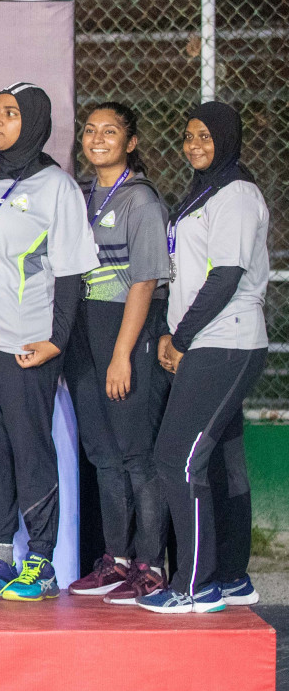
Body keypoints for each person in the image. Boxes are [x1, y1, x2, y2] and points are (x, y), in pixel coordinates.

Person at [0, 83, 98, 601]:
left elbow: (73, 273)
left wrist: (56, 340)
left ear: (32, 123)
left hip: (25, 342)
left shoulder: (58, 188)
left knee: (29, 449)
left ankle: (43, 561)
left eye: (11, 114)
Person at [141, 101, 269, 613]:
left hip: (225, 340)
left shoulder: (236, 192)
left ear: (228, 140)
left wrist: (181, 337)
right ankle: (233, 577)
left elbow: (226, 276)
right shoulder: (208, 190)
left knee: (175, 457)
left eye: (206, 137)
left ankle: (194, 585)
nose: (195, 144)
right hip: (213, 341)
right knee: (218, 463)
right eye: (189, 135)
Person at [62, 103, 171, 603]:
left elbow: (145, 281)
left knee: (135, 457)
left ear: (130, 142)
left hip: (123, 330)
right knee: (102, 455)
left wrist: (123, 353)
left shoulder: (141, 200)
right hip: (84, 331)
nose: (97, 139)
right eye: (90, 131)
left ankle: (150, 565)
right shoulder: (82, 195)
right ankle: (116, 560)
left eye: (111, 132)